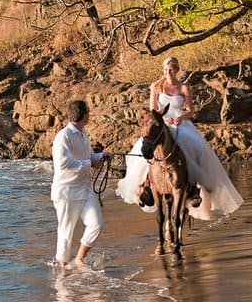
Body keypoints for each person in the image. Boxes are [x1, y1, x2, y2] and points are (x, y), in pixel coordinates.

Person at [116, 56, 243, 220]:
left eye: (170, 70)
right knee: (145, 149)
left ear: (176, 70)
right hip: (161, 122)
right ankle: (145, 185)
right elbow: (152, 110)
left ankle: (193, 186)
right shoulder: (156, 86)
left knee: (196, 146)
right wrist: (163, 119)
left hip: (179, 122)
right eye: (165, 70)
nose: (167, 73)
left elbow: (190, 110)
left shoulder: (184, 87)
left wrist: (180, 118)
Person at [51, 100, 112, 269]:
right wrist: (89, 163)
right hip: (66, 191)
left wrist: (101, 157)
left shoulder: (83, 134)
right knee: (65, 232)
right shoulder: (63, 137)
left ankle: (78, 260)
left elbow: (90, 156)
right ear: (85, 116)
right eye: (88, 114)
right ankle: (62, 268)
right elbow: (63, 164)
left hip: (84, 189)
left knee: (96, 224)